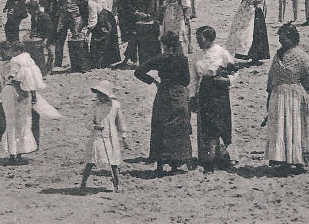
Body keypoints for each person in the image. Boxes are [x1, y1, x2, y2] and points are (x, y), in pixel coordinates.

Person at [134, 32, 192, 174]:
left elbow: (138, 71)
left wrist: (153, 81)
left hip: (163, 93)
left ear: (164, 45)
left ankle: (159, 164)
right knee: (177, 127)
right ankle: (175, 164)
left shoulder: (160, 58)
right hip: (178, 93)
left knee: (160, 126)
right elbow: (186, 80)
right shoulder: (182, 59)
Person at [265, 24, 309, 175]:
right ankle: (281, 160)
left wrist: (298, 88)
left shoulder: (301, 56)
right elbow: (271, 77)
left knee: (294, 127)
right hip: (277, 96)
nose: (281, 40)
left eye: (284, 38)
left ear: (293, 38)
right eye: (280, 37)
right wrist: (270, 95)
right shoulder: (278, 55)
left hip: (294, 97)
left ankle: (297, 159)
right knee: (280, 128)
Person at [189, 26, 237, 173]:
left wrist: (227, 80)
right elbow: (194, 79)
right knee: (207, 125)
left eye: (200, 39)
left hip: (219, 90)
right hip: (204, 90)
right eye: (197, 39)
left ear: (209, 38)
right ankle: (208, 159)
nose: (198, 42)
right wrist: (192, 96)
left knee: (221, 123)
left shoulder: (221, 52)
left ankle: (223, 157)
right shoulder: (197, 56)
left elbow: (235, 71)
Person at [0, 42, 45, 164]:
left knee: (21, 123)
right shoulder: (15, 63)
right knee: (15, 123)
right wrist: (28, 93)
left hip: (17, 92)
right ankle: (14, 154)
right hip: (17, 92)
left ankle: (17, 153)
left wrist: (30, 93)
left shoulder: (17, 62)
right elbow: (15, 80)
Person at [79, 80, 127, 193]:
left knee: (114, 162)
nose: (99, 97)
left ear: (107, 95)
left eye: (102, 94)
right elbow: (87, 122)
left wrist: (123, 134)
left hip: (111, 137)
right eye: (98, 94)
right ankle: (83, 182)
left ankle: (117, 184)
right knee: (91, 160)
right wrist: (95, 127)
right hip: (97, 137)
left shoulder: (115, 106)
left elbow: (120, 121)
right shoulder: (95, 106)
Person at [226, 0, 270, 64]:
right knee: (254, 32)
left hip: (248, 8)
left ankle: (249, 55)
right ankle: (255, 56)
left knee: (248, 31)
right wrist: (257, 0)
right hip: (253, 8)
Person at [54, 0, 85, 69]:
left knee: (76, 37)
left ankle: (77, 63)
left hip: (75, 15)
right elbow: (59, 0)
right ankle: (57, 63)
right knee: (60, 39)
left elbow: (84, 4)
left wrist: (81, 14)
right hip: (64, 15)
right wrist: (60, 8)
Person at [87, 0, 121, 68]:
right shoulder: (83, 5)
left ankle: (102, 63)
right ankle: (97, 62)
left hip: (105, 19)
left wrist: (87, 33)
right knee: (97, 39)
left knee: (102, 39)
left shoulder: (90, 4)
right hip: (100, 19)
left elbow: (93, 20)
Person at [27, 0, 56, 71]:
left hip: (49, 36)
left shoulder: (44, 16)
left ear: (35, 9)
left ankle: (49, 68)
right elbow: (33, 27)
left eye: (29, 10)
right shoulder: (33, 17)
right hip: (41, 36)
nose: (28, 12)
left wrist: (46, 40)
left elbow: (49, 30)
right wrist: (32, 33)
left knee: (50, 52)